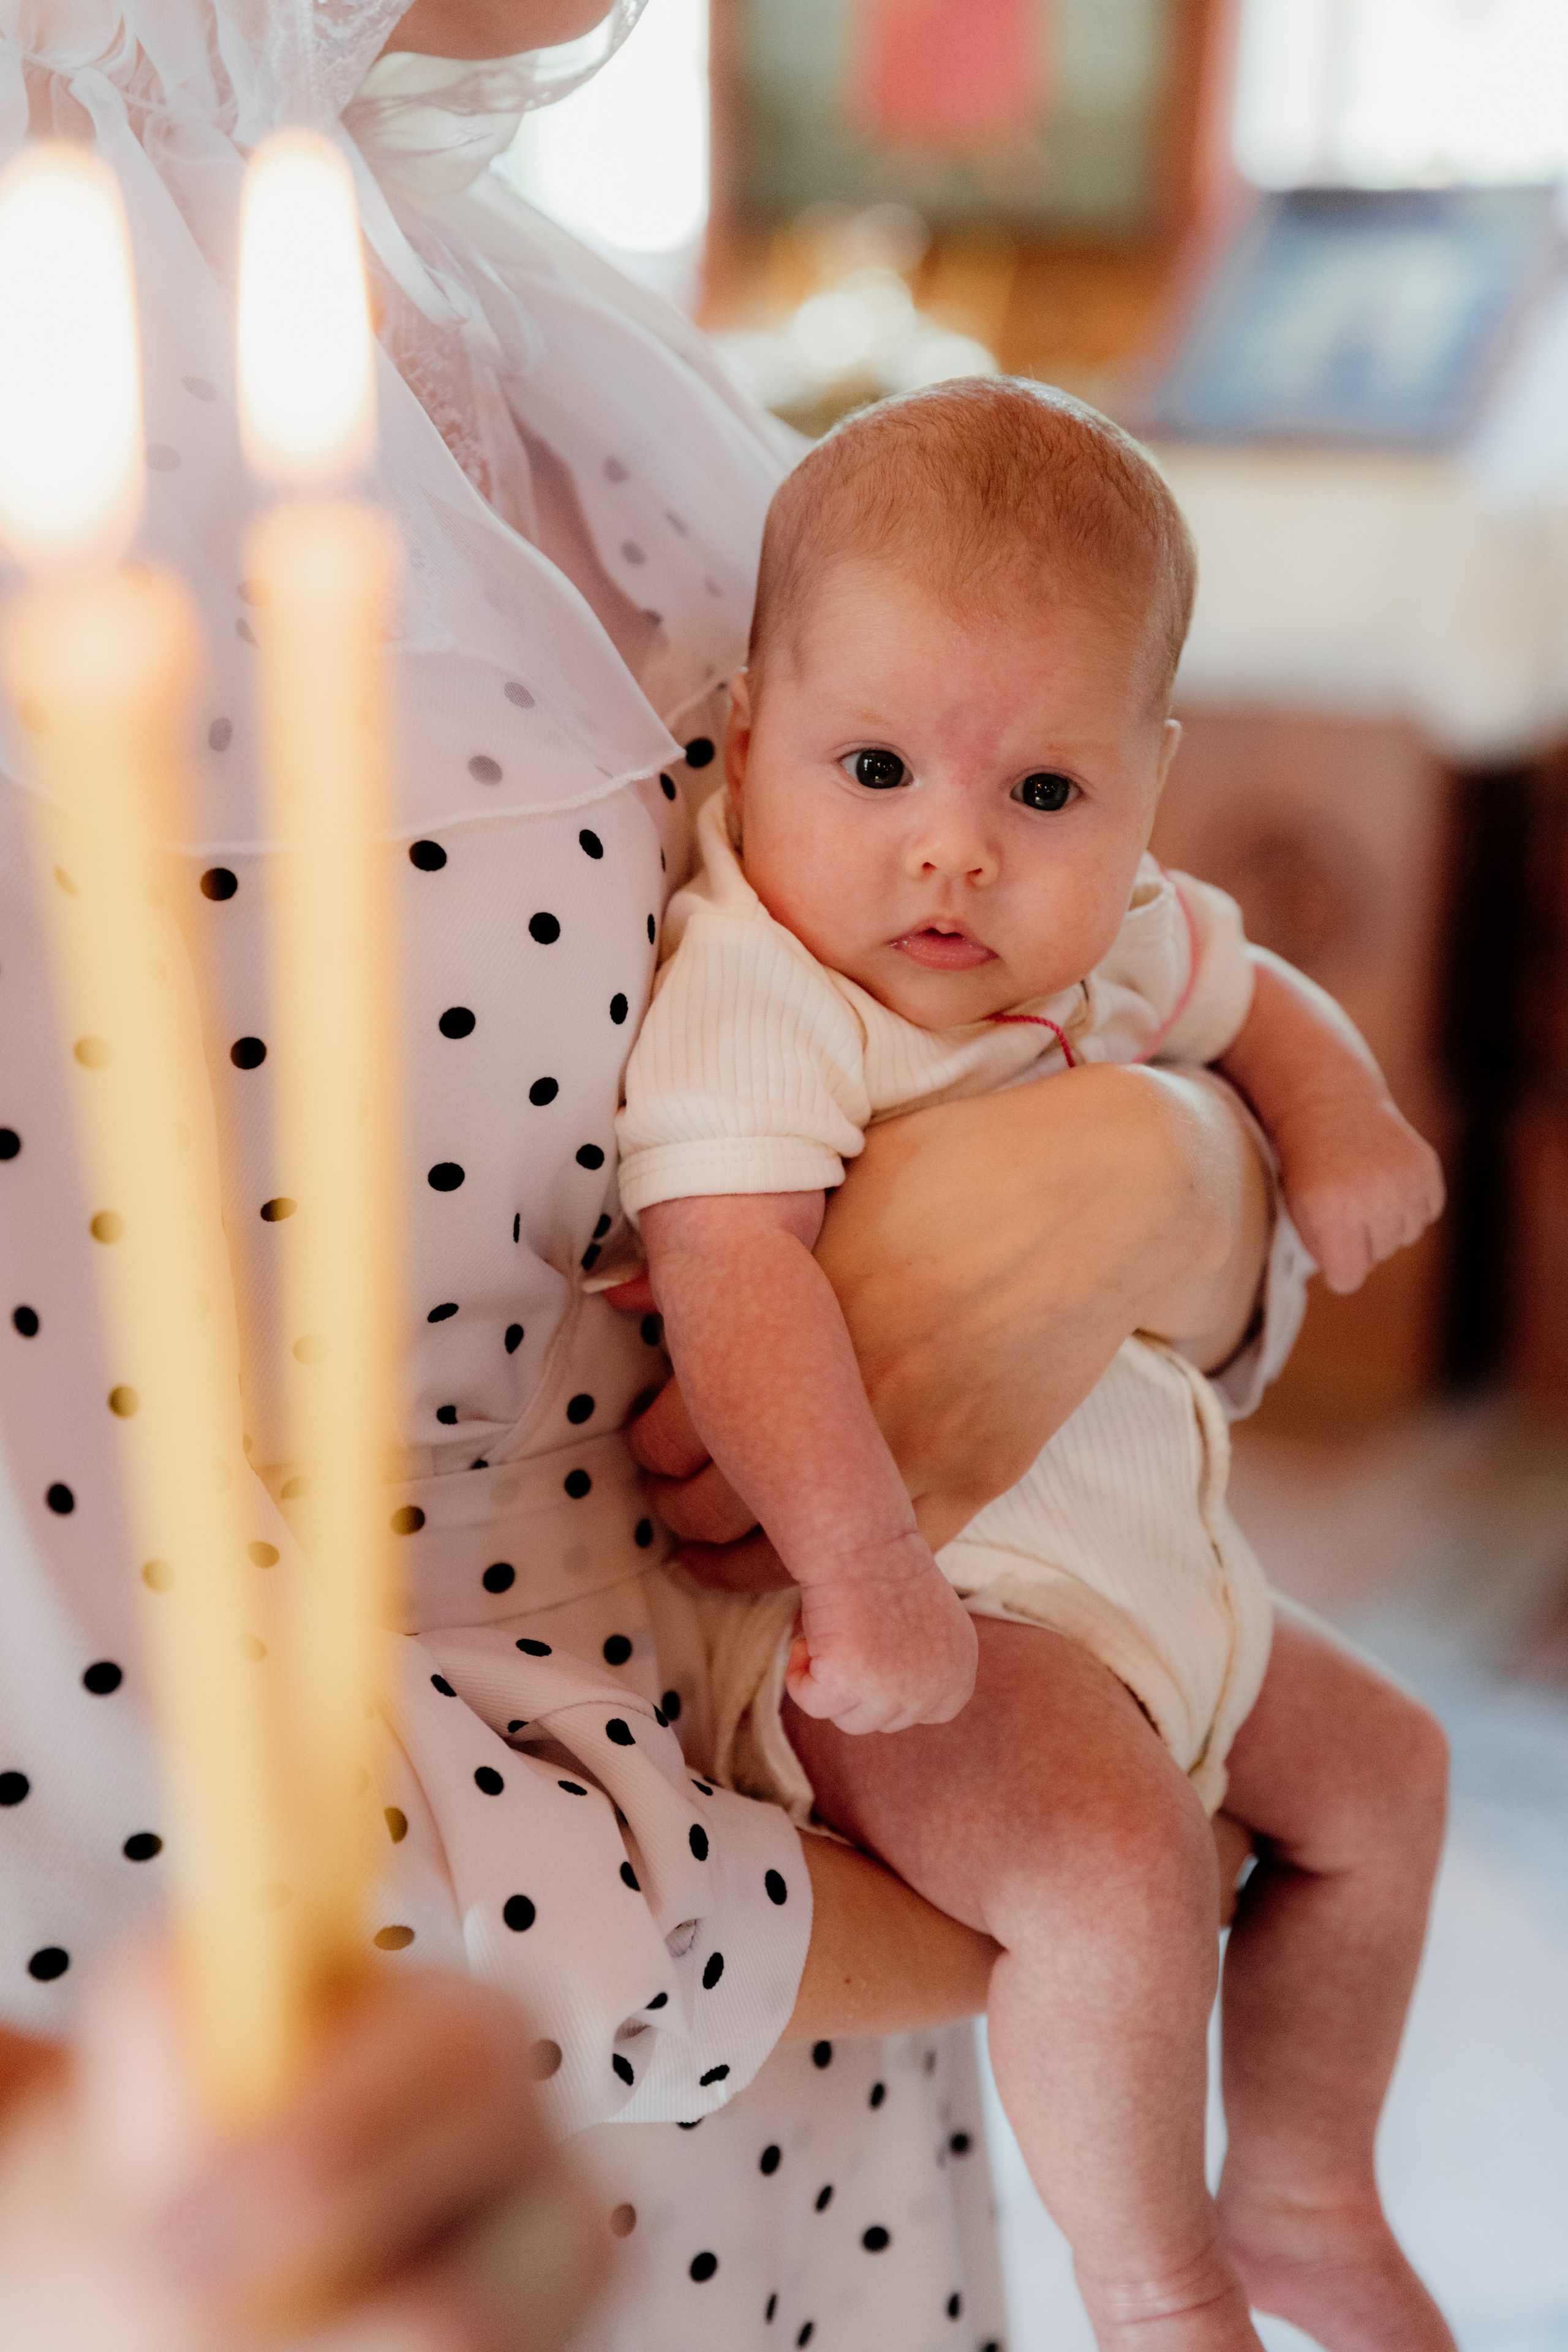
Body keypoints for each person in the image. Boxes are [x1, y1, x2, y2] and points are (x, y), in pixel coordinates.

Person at [0, 0, 1295, 2343]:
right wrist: (957, 1920)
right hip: (482, 2104)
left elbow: (1037, 982)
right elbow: (56, 1749)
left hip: (864, 2029)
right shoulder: (58, 360)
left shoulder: (540, 312)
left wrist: (1166, 1182)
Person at [620, 382, 1452, 2352]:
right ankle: (1154, 2278)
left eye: (1045, 798)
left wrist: (1335, 1130)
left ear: (1148, 792)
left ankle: (1313, 2187)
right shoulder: (763, 985)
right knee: (1113, 1875)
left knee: (1391, 1782)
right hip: (927, 1617)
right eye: (878, 765)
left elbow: (1259, 999)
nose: (955, 860)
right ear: (751, 738)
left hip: (1168, 1590)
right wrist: (867, 1580)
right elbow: (734, 1286)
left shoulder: (1108, 935)